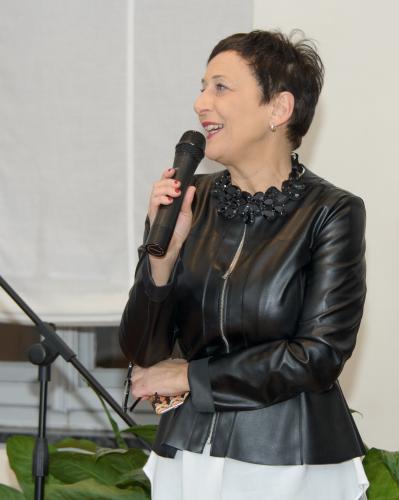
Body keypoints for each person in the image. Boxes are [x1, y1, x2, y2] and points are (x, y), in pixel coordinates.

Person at [119, 29, 368, 500]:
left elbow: (317, 356)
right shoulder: (192, 201)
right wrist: (161, 260)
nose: (200, 103)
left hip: (287, 458)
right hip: (189, 452)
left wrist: (190, 376)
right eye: (202, 87)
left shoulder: (331, 212)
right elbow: (142, 351)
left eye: (221, 87)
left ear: (279, 108)